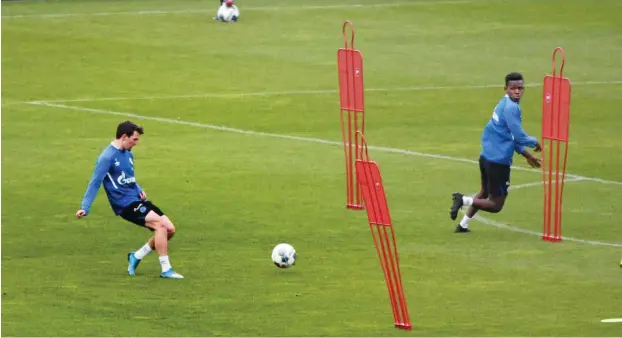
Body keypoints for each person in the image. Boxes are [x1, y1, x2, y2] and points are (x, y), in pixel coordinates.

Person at [75, 121, 184, 279]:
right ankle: (166, 269)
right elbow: (95, 182)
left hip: (135, 199)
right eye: (134, 139)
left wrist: (138, 189)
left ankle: (137, 256)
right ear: (124, 137)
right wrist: (85, 207)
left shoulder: (128, 153)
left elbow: (128, 177)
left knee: (169, 229)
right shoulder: (107, 157)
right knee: (159, 225)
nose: (136, 143)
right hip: (124, 204)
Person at [450, 72, 542, 233]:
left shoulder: (502, 104)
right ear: (506, 89)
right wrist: (534, 142)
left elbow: (509, 137)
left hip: (486, 157)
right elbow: (519, 136)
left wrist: (527, 155)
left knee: (484, 192)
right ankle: (462, 199)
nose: (517, 91)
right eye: (513, 88)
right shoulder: (512, 108)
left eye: (520, 88)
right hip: (498, 162)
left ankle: (463, 225)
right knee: (496, 205)